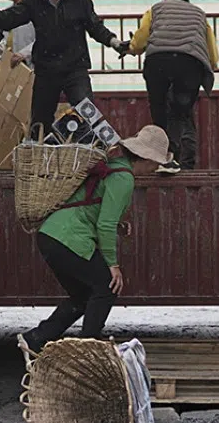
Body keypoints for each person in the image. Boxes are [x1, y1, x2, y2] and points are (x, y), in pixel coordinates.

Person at [18, 125, 172, 354]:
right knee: (107, 285)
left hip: (52, 235)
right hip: (68, 238)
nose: (157, 167)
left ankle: (35, 338)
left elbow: (96, 209)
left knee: (83, 296)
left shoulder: (114, 166)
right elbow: (104, 224)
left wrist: (117, 226)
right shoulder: (124, 178)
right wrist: (113, 264)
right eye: (157, 162)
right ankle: (88, 348)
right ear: (147, 158)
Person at [0, 0, 130, 138]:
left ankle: (104, 150)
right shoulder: (34, 1)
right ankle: (37, 158)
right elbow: (11, 17)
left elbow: (95, 26)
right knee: (39, 122)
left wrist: (114, 42)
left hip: (74, 68)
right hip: (46, 70)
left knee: (88, 112)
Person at [126, 0, 218, 174]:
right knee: (180, 112)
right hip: (190, 63)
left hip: (158, 61)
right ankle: (172, 157)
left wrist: (132, 48)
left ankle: (161, 157)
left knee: (159, 109)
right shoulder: (200, 15)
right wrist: (209, 68)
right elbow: (212, 53)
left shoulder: (155, 9)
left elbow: (141, 39)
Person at [0, 0, 36, 69]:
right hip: (9, 69)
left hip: (31, 69)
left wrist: (23, 54)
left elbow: (44, 40)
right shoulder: (7, 14)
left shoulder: (36, 12)